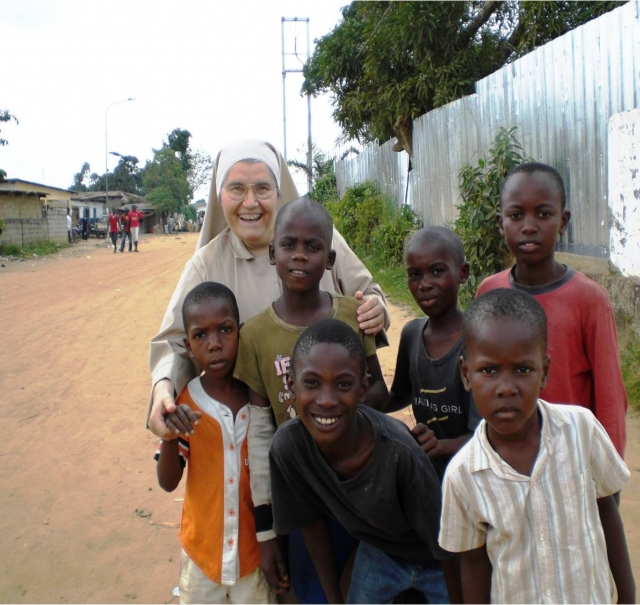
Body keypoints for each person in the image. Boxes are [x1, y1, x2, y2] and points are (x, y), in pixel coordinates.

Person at [148, 139, 388, 438]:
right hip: (252, 432)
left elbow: (368, 295)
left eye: (262, 188)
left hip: (337, 427)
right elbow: (174, 343)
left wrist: (377, 310)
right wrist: (163, 390)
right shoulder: (205, 264)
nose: (250, 203)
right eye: (237, 189)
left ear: (278, 193)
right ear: (220, 197)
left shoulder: (319, 239)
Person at [233, 197, 388, 603]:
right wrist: (267, 533)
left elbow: (379, 394)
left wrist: (335, 429)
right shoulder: (254, 335)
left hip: (361, 491)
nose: (300, 255)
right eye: (289, 245)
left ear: (331, 257)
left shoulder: (354, 316)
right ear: (272, 253)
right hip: (298, 499)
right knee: (311, 593)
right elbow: (262, 434)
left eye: (313, 246)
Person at [439, 287, 635, 604]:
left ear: (544, 372)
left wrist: (627, 596)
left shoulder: (581, 430)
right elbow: (472, 563)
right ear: (466, 374)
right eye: (488, 371)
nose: (506, 388)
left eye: (523, 370)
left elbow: (607, 510)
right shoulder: (462, 476)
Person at [269, 319, 459, 604]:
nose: (327, 400)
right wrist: (335, 601)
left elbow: (446, 548)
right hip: (381, 553)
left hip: (434, 559)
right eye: (311, 383)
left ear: (363, 387)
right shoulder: (288, 448)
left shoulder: (399, 453)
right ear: (290, 384)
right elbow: (311, 524)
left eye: (343, 384)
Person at [476, 162, 628, 457]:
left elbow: (610, 398)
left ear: (563, 221)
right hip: (504, 459)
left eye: (543, 214)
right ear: (500, 223)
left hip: (570, 460)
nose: (529, 226)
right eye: (516, 215)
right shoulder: (488, 293)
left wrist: (608, 482)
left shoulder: (589, 300)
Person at [155, 282, 276, 604]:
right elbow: (168, 482)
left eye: (225, 330)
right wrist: (168, 435)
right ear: (188, 345)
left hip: (255, 557)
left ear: (241, 331)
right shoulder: (185, 403)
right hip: (201, 558)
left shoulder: (263, 404)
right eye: (201, 336)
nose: (214, 344)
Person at [382, 226, 480, 478]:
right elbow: (399, 395)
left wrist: (441, 446)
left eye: (437, 271)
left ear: (462, 273)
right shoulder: (412, 334)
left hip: (474, 478)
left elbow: (488, 435)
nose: (424, 284)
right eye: (415, 274)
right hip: (430, 478)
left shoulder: (478, 341)